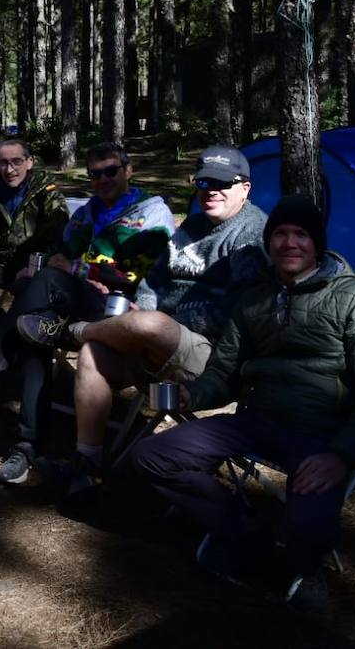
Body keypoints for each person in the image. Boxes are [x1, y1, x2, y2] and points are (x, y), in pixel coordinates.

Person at [132, 195, 355, 611]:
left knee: (305, 527)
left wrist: (341, 454)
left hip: (320, 434)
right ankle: (243, 529)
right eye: (280, 233)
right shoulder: (254, 299)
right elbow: (224, 374)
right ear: (269, 240)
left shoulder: (354, 296)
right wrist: (193, 394)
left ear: (317, 243)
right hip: (256, 420)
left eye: (300, 234)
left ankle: (306, 567)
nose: (289, 243)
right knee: (153, 455)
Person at [0, 140, 173, 485]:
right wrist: (44, 268)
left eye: (111, 171)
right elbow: (59, 251)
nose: (102, 179)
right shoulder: (87, 213)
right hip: (74, 301)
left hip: (121, 311)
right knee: (31, 328)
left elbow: (136, 270)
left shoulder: (151, 213)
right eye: (95, 174)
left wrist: (78, 269)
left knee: (44, 291)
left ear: (128, 171)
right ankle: (26, 447)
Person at [54, 144, 267, 494]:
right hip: (161, 342)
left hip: (211, 356)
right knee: (93, 355)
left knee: (146, 324)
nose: (211, 190)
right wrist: (147, 307)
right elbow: (155, 279)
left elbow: (238, 309)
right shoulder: (191, 226)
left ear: (245, 188)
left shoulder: (251, 234)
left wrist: (165, 317)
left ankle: (73, 331)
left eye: (223, 183)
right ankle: (87, 461)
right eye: (203, 183)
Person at [0, 138, 69, 325]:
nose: (9, 170)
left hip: (34, 266)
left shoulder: (47, 193)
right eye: (3, 163)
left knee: (28, 288)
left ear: (29, 162)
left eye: (16, 162)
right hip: (1, 265)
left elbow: (57, 235)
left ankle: (12, 336)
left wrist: (35, 267)